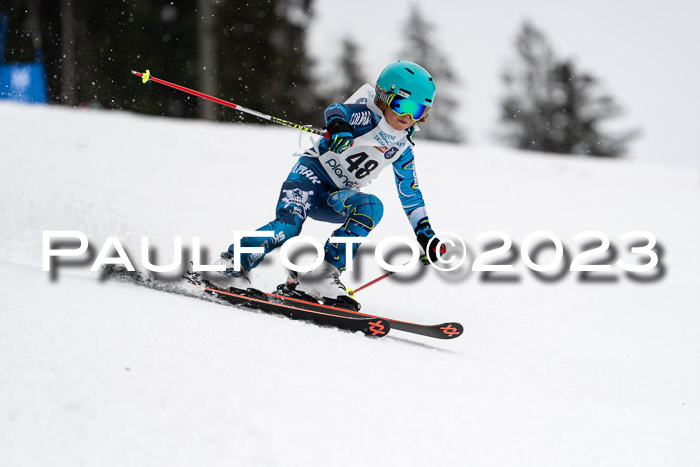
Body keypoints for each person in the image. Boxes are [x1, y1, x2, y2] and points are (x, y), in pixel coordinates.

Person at [212, 60, 445, 302]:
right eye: (401, 105)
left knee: (372, 206)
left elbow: (410, 192)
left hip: (335, 195)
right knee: (289, 226)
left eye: (416, 111)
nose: (407, 116)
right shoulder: (366, 116)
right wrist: (339, 126)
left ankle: (322, 276)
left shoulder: (402, 147)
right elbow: (337, 110)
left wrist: (425, 234)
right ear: (385, 98)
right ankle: (232, 263)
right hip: (310, 177)